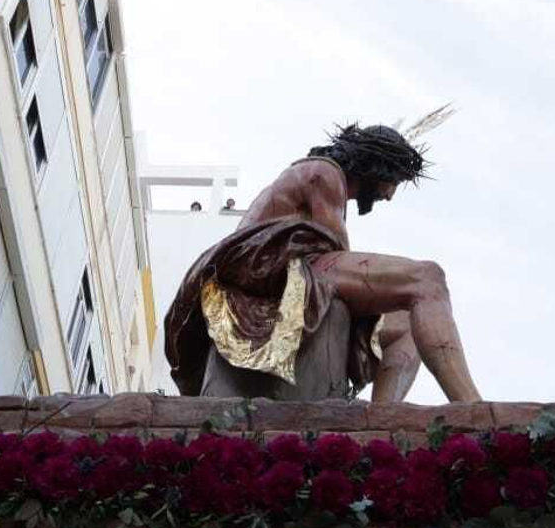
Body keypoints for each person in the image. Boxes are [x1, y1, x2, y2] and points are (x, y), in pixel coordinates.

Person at [163, 118, 479, 403]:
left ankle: (383, 415)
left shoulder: (322, 181)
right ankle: (472, 407)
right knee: (427, 278)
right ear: (377, 167)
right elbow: (335, 255)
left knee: (407, 323)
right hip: (279, 270)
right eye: (392, 181)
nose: (389, 195)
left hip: (294, 269)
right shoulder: (323, 173)